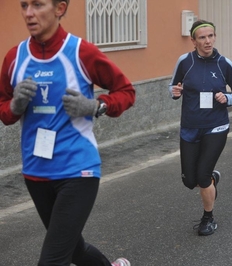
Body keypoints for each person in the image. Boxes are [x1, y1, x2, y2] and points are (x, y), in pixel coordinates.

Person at [0, 1, 135, 265]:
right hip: (35, 171)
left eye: (37, 4)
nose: (28, 13)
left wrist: (96, 106)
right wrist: (15, 106)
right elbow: (3, 107)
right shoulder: (15, 57)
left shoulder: (80, 52)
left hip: (78, 170)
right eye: (24, 5)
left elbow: (127, 92)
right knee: (73, 249)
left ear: (59, 8)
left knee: (52, 260)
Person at [169, 20, 232, 236]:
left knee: (201, 177)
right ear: (193, 41)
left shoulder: (224, 63)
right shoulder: (185, 62)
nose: (207, 41)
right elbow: (172, 86)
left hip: (216, 126)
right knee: (189, 181)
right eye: (202, 37)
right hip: (190, 127)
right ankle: (212, 179)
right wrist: (175, 92)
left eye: (211, 36)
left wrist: (229, 97)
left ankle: (208, 218)